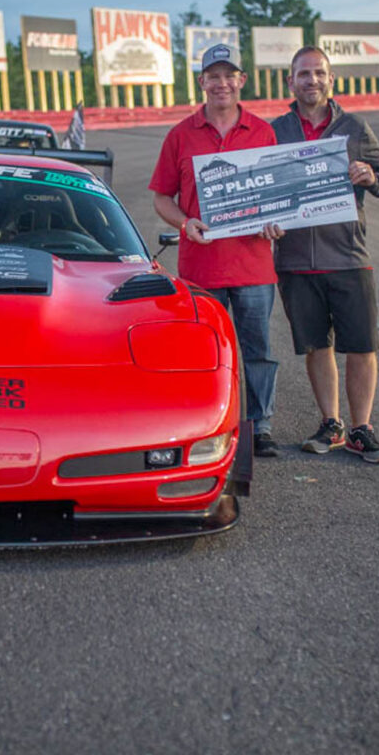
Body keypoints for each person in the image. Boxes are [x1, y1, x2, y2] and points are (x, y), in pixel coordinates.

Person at [149, 44, 284, 457]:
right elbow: (161, 197)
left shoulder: (263, 132)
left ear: (242, 80)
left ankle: (259, 425)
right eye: (213, 76)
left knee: (257, 350)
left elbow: (278, 193)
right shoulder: (180, 134)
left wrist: (275, 220)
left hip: (254, 266)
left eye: (229, 75)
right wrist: (184, 223)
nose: (221, 83)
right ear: (201, 82)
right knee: (203, 351)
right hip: (201, 268)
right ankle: (202, 423)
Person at [272, 46, 379, 463]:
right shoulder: (274, 131)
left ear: (331, 80)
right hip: (294, 260)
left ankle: (362, 428)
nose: (311, 81)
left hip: (349, 256)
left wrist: (371, 176)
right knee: (316, 346)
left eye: (319, 73)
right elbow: (262, 189)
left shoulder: (354, 127)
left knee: (362, 346)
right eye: (303, 74)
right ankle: (332, 423)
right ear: (290, 82)